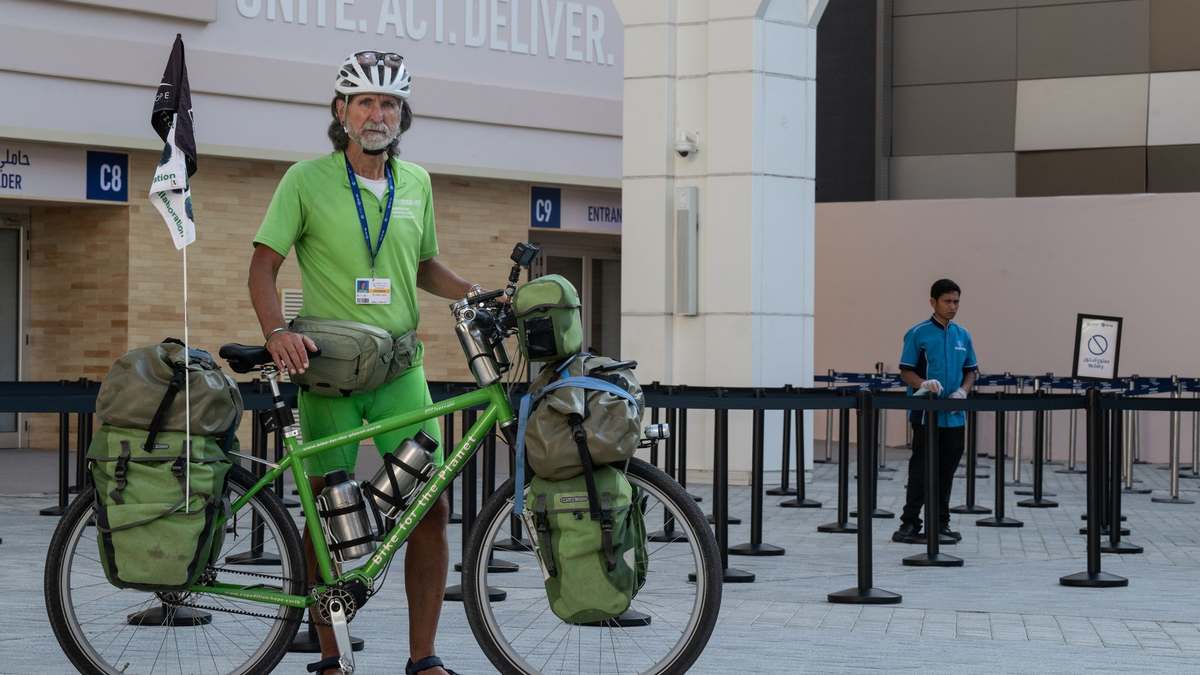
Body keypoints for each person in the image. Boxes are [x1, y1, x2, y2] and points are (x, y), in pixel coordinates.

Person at [248, 50, 481, 675]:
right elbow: (263, 266)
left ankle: (423, 658)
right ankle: (330, 656)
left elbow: (424, 266)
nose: (378, 114)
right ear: (341, 110)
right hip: (330, 372)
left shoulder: (417, 182)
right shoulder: (305, 180)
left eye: (390, 103)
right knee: (326, 507)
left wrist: (476, 294)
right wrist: (275, 331)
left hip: (401, 369)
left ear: (402, 115)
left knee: (429, 506)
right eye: (366, 102)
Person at [893, 279, 978, 544]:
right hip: (926, 414)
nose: (953, 306)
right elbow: (906, 371)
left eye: (956, 302)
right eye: (947, 301)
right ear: (933, 302)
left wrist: (962, 391)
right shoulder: (917, 333)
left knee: (946, 472)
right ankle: (909, 523)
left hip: (955, 416)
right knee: (921, 470)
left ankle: (941, 523)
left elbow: (970, 371)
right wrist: (923, 384)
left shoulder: (963, 335)